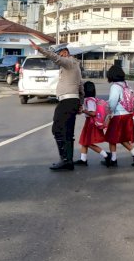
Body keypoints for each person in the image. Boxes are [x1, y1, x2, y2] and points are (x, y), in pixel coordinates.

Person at [29, 40, 83, 171]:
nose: (58, 57)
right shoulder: (75, 65)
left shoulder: (69, 62)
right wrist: (80, 102)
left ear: (64, 53)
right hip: (72, 101)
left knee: (58, 129)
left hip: (67, 101)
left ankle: (65, 160)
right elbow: (80, 85)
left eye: (59, 54)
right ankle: (68, 160)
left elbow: (56, 59)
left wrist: (39, 49)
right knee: (67, 131)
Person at [103, 65, 134, 167]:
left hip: (118, 116)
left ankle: (113, 160)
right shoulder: (125, 84)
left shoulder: (115, 86)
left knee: (112, 138)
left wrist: (107, 114)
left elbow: (112, 103)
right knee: (121, 137)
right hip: (127, 115)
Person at [73, 81, 108, 166]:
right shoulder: (92, 99)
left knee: (88, 142)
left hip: (91, 123)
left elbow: (93, 113)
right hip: (89, 122)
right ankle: (83, 159)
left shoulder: (89, 100)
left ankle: (106, 155)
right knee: (84, 141)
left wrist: (83, 110)